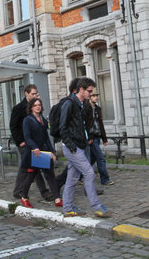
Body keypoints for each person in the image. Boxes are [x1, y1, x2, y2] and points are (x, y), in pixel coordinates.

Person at [60, 77, 111, 218]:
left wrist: (86, 140)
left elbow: (82, 126)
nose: (91, 94)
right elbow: (62, 127)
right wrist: (72, 147)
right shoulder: (69, 104)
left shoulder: (82, 105)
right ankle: (97, 207)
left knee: (72, 178)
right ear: (81, 90)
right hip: (73, 147)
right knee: (89, 173)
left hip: (79, 146)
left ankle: (68, 208)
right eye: (89, 91)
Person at [10, 84, 52, 200]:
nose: (35, 96)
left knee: (37, 166)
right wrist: (20, 141)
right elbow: (13, 126)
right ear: (26, 94)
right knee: (33, 167)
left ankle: (20, 190)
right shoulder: (18, 108)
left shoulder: (36, 107)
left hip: (37, 142)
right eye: (32, 94)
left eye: (36, 93)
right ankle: (43, 191)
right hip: (25, 143)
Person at [19, 98, 62, 208]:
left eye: (39, 105)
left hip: (44, 151)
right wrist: (35, 147)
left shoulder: (42, 119)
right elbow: (27, 138)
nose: (38, 107)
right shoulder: (28, 120)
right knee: (31, 175)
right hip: (35, 153)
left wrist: (52, 151)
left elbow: (46, 137)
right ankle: (24, 197)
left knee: (50, 174)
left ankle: (57, 199)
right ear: (31, 107)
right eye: (35, 105)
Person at [85, 88, 114, 186]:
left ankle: (80, 176)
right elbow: (86, 125)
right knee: (101, 158)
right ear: (89, 97)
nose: (96, 97)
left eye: (96, 95)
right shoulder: (86, 108)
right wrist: (89, 137)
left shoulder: (98, 109)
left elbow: (100, 124)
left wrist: (104, 138)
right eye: (93, 95)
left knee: (92, 158)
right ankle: (105, 179)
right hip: (91, 138)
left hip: (97, 137)